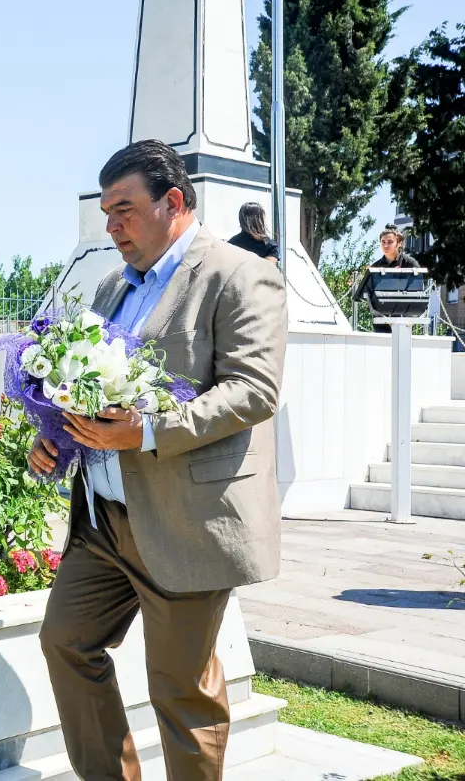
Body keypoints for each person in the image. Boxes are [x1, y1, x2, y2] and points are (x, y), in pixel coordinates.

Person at [29, 140, 287, 781]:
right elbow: (88, 384)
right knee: (66, 641)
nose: (111, 226)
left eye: (124, 209)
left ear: (173, 202)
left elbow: (254, 389)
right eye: (106, 212)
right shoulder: (114, 286)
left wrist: (147, 432)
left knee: (181, 691)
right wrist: (58, 437)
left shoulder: (238, 273)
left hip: (185, 518)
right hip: (105, 520)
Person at [352, 223, 421, 334]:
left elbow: (418, 289)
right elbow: (366, 293)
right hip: (381, 320)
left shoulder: (410, 263)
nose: (385, 245)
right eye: (383, 242)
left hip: (404, 319)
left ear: (399, 243)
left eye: (390, 242)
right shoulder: (375, 267)